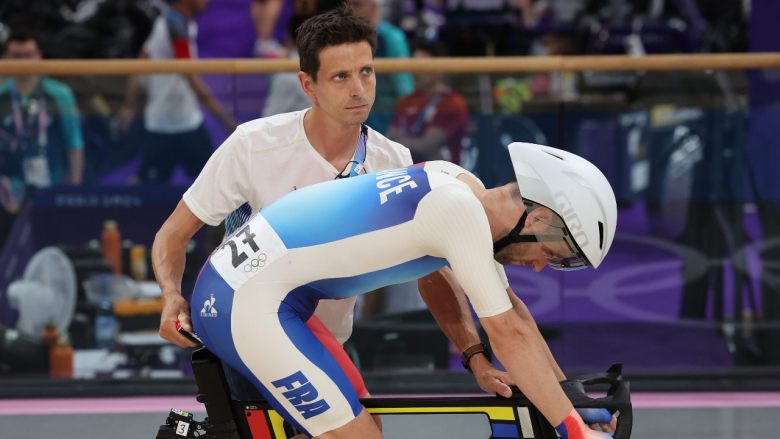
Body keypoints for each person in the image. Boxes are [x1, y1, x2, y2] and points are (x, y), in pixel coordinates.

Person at [152, 4, 515, 421]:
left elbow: (433, 273)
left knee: (367, 427)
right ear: (308, 85)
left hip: (328, 341)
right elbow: (173, 234)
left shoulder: (394, 161)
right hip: (251, 338)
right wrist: (171, 296)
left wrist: (475, 357)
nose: (359, 89)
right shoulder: (252, 145)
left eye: (366, 72)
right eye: (341, 77)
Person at [189, 143, 618, 439]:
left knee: (360, 426)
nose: (541, 266)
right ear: (539, 218)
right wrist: (574, 429)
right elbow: (508, 333)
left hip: (259, 291)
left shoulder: (460, 186)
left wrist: (570, 398)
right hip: (243, 299)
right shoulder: (459, 210)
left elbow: (515, 315)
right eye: (552, 254)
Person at [117, 0, 238, 184]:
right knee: (146, 187)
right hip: (165, 125)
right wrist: (226, 119)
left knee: (213, 182)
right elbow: (190, 78)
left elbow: (141, 62)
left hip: (184, 121)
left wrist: (129, 105)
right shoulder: (174, 27)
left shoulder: (177, 23)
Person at [0, 29, 84, 247]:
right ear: (5, 59)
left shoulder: (60, 94)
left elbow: (74, 142)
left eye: (28, 55)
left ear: (39, 56)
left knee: (51, 246)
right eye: (16, 56)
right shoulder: (1, 93)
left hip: (50, 184)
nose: (23, 62)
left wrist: (73, 190)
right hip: (7, 191)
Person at [387, 39, 468, 164]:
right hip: (406, 171)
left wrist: (394, 144)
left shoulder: (452, 103)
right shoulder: (406, 102)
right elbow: (389, 140)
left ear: (440, 68)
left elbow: (425, 147)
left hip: (442, 172)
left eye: (422, 66)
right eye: (413, 66)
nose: (415, 72)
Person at [349, 0, 415, 133]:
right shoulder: (349, 36)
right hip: (358, 111)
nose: (350, 9)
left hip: (387, 116)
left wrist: (404, 120)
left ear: (373, 7)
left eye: (357, 5)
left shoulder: (391, 37)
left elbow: (403, 84)